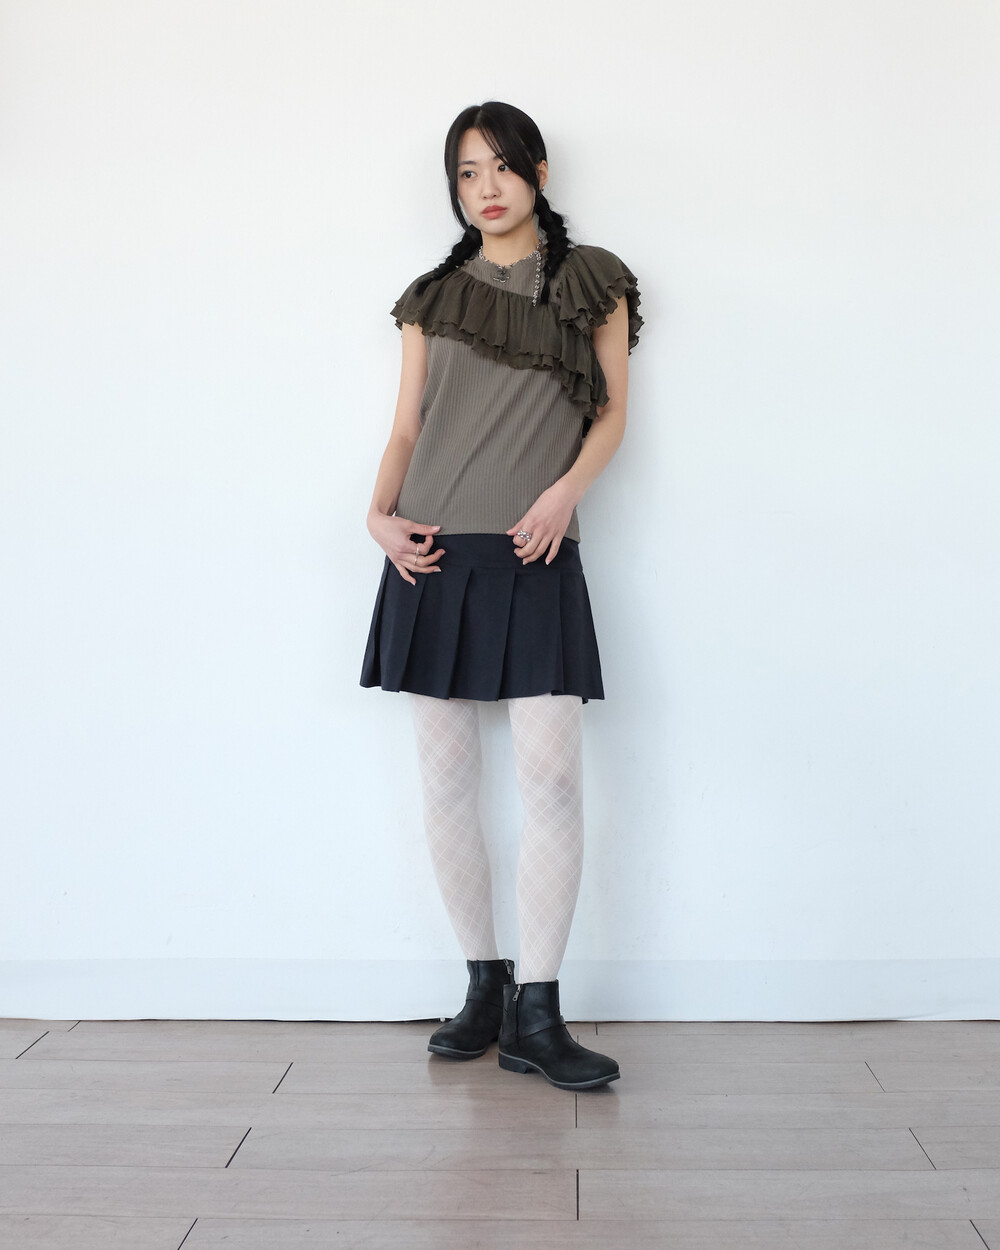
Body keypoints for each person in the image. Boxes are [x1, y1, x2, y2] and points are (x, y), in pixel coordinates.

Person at [361, 101, 642, 1091]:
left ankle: (538, 1010)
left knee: (552, 781)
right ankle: (482, 984)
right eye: (467, 172)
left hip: (534, 550)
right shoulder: (432, 297)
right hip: (432, 552)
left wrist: (566, 494)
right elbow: (407, 427)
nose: (485, 188)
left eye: (502, 167)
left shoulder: (592, 280)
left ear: (539, 172)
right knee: (445, 782)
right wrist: (377, 515)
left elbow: (612, 415)